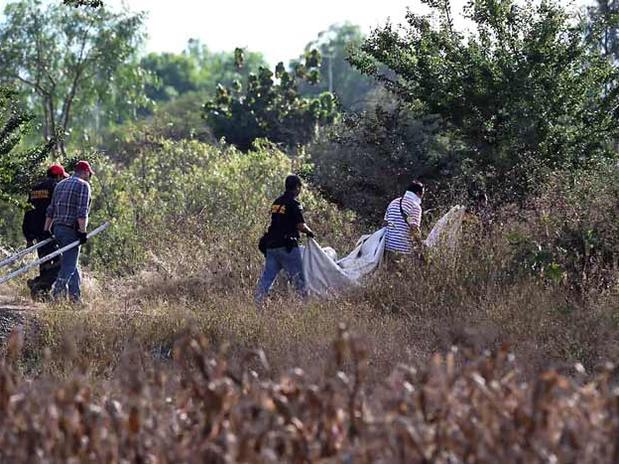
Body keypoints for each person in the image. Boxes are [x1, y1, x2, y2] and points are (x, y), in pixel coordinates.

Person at [255, 175, 315, 304]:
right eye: (300, 187)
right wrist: (310, 232)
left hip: (271, 247)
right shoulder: (294, 204)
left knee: (267, 279)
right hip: (287, 247)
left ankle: (257, 304)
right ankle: (305, 309)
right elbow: (300, 225)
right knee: (299, 280)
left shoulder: (276, 202)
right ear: (297, 187)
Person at [44, 160, 95, 303]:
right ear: (85, 172)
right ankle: (56, 294)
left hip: (57, 229)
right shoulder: (84, 185)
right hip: (70, 230)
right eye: (89, 174)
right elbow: (82, 211)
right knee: (69, 265)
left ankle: (75, 299)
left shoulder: (60, 184)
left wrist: (47, 229)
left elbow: (51, 209)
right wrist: (83, 232)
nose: (89, 177)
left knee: (71, 262)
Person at [22, 163, 69, 299]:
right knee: (60, 262)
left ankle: (41, 293)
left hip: (35, 231)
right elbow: (56, 208)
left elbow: (28, 211)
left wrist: (28, 236)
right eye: (62, 177)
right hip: (49, 230)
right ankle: (39, 283)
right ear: (58, 176)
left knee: (44, 261)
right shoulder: (56, 187)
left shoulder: (35, 188)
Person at [383, 181, 425, 263]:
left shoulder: (394, 202)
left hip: (387, 247)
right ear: (418, 193)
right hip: (403, 250)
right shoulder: (415, 206)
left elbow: (385, 223)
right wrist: (421, 246)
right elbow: (414, 229)